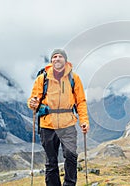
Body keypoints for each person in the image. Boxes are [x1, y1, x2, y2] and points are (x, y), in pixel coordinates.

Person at [28, 49, 89, 186]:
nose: (57, 59)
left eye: (60, 56)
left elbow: (80, 101)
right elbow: (33, 100)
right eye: (54, 57)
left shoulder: (74, 78)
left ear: (65, 61)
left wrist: (84, 120)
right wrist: (32, 103)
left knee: (71, 157)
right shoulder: (42, 79)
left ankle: (69, 184)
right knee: (51, 162)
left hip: (68, 124)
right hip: (47, 125)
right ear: (51, 61)